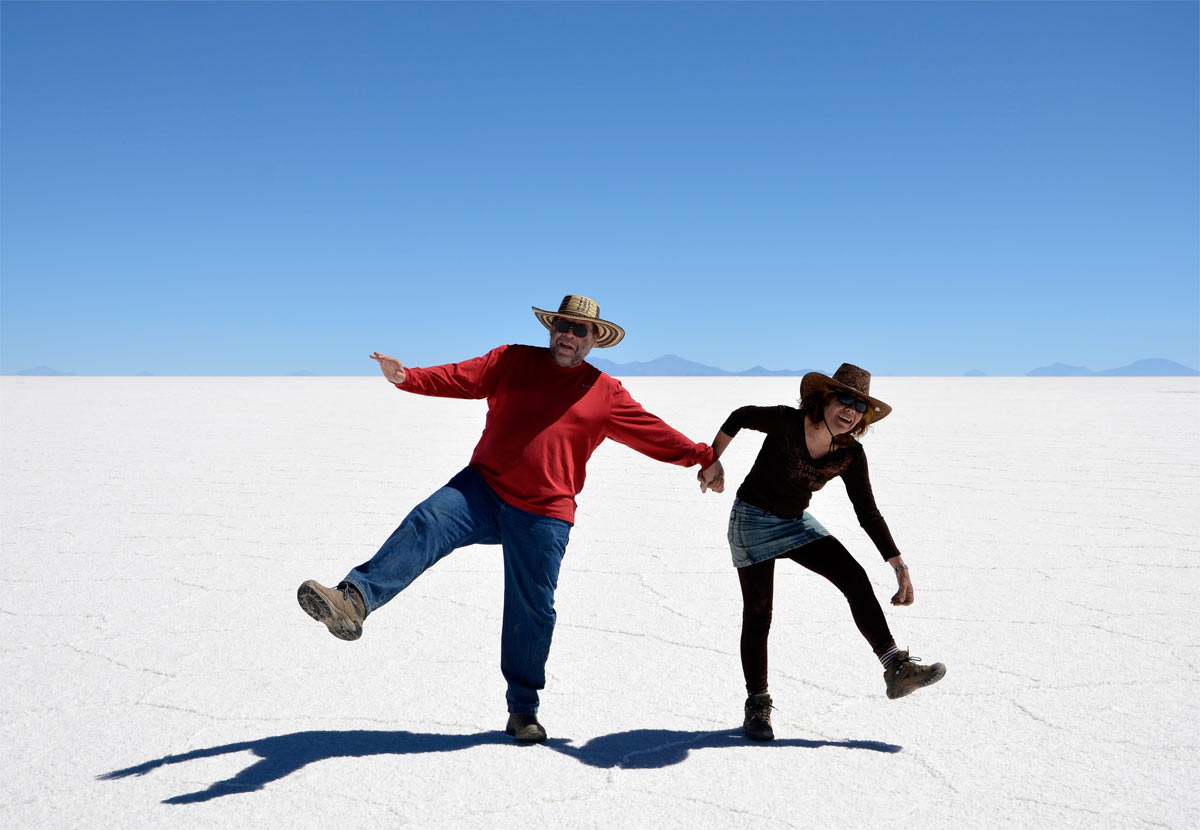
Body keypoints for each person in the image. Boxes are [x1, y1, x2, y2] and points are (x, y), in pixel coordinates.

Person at [298, 295, 725, 743]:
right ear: (551, 327)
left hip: (545, 512)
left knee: (532, 609)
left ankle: (523, 710)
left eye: (581, 331)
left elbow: (650, 431)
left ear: (595, 340)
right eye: (563, 326)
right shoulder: (513, 361)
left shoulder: (606, 393)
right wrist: (408, 377)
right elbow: (461, 377)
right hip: (484, 488)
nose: (569, 336)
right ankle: (353, 600)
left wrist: (703, 457)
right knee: (428, 521)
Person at [703, 363, 945, 742]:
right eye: (844, 398)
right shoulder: (787, 422)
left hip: (795, 522)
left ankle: (895, 668)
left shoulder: (850, 453)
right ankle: (757, 705)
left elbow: (867, 511)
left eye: (860, 406)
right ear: (824, 399)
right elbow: (741, 416)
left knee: (853, 577)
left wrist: (899, 566)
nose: (850, 410)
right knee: (759, 612)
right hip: (752, 520)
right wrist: (711, 460)